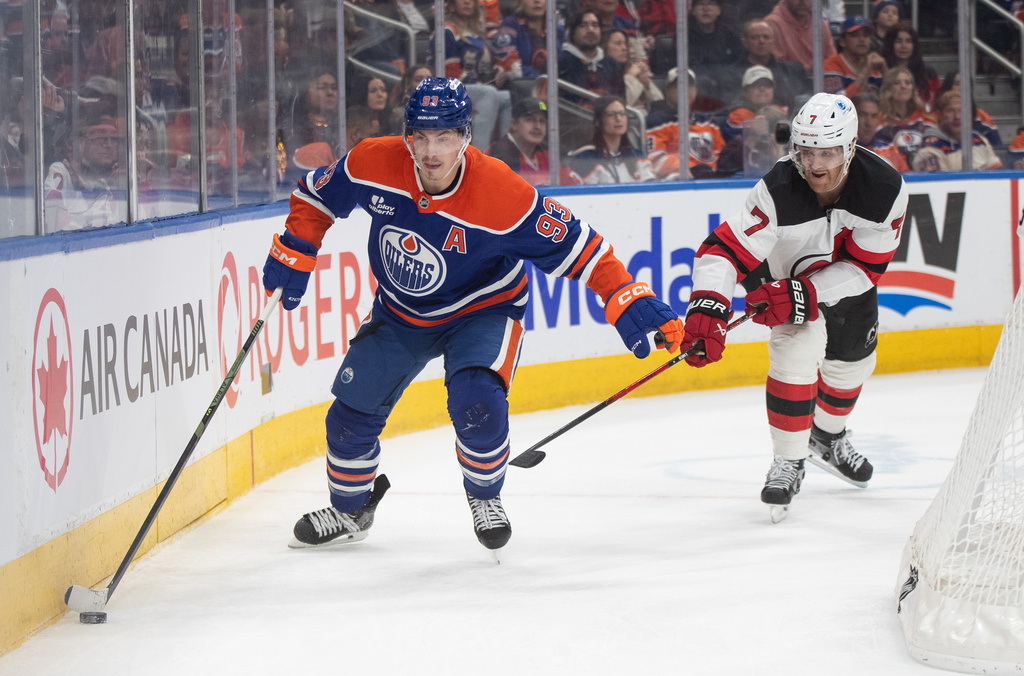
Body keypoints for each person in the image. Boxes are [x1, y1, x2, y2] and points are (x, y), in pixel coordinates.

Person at [260, 77, 683, 552]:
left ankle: (485, 496)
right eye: (421, 136)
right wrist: (299, 243)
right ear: (407, 135)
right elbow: (316, 196)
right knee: (346, 418)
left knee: (477, 405)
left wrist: (625, 294)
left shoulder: (502, 193)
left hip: (485, 308)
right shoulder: (372, 162)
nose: (431, 151)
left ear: (465, 136)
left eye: (445, 137)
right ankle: (351, 509)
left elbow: (582, 247)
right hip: (401, 311)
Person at [680, 92, 908, 520]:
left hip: (842, 280)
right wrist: (707, 308)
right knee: (795, 350)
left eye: (827, 152)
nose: (816, 165)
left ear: (850, 147)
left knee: (854, 362)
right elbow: (722, 252)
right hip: (780, 278)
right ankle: (788, 459)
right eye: (806, 151)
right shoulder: (776, 189)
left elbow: (866, 266)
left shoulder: (884, 188)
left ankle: (827, 436)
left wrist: (812, 292)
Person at [431, 0, 513, 150]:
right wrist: (482, 84)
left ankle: (504, 152)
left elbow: (485, 65)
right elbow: (449, 72)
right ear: (452, 5)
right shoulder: (446, 31)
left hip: (476, 88)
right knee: (489, 93)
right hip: (448, 89)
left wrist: (497, 71)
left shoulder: (477, 34)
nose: (467, 2)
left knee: (508, 98)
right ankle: (480, 154)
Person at [43, 114, 128, 231]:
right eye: (98, 136)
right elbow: (54, 219)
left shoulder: (110, 181)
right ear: (71, 144)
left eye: (113, 139)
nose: (108, 144)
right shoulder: (62, 172)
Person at [645, 67, 726, 179]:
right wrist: (692, 168)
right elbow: (655, 161)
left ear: (695, 91)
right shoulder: (657, 121)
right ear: (667, 91)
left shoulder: (707, 122)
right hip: (677, 183)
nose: (684, 89)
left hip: (709, 179)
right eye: (678, 85)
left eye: (689, 85)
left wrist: (710, 170)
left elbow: (721, 156)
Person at [726, 19, 810, 111]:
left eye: (766, 37)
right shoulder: (731, 75)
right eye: (755, 37)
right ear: (745, 43)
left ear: (773, 42)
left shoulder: (790, 71)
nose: (761, 41)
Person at [568, 95, 655, 183]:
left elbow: (651, 191)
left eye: (622, 114)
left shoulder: (637, 155)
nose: (618, 118)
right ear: (598, 121)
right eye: (611, 115)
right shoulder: (586, 158)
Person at [913, 91, 1003, 172]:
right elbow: (940, 185)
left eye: (961, 111)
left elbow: (998, 175)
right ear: (939, 115)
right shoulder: (930, 147)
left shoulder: (980, 140)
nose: (957, 117)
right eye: (951, 111)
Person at [872, 66, 934, 168]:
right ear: (888, 88)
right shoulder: (879, 120)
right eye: (897, 83)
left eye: (908, 83)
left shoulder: (926, 118)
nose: (903, 86)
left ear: (913, 88)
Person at [558, 10, 625, 102]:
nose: (590, 30)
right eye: (583, 25)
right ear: (572, 32)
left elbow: (622, 100)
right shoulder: (560, 62)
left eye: (595, 25)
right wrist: (544, 112)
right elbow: (542, 101)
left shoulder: (611, 64)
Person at [492, 0, 564, 79]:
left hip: (557, 86)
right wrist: (544, 79)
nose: (537, 1)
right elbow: (510, 65)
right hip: (522, 87)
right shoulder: (511, 25)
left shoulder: (558, 31)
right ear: (520, 2)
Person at [488, 96, 551, 185]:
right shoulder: (500, 154)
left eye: (542, 121)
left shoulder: (546, 152)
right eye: (530, 120)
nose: (538, 126)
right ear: (514, 124)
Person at [763, 0, 837, 74]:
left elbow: (832, 59)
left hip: (819, 79)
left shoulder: (820, 23)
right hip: (789, 80)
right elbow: (776, 66)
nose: (802, 1)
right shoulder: (772, 24)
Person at [881, 21, 939, 110]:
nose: (904, 46)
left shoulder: (929, 73)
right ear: (890, 44)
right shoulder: (880, 71)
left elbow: (938, 104)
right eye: (898, 41)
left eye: (908, 41)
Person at [823, 15, 886, 98]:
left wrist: (884, 70)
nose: (862, 39)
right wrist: (865, 70)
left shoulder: (875, 64)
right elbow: (839, 103)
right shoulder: (830, 65)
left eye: (866, 35)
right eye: (855, 35)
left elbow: (892, 99)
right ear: (843, 41)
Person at [604, 28, 664, 114]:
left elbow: (659, 102)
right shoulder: (602, 73)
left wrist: (646, 84)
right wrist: (631, 76)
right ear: (604, 46)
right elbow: (621, 104)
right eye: (618, 44)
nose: (624, 48)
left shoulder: (633, 68)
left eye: (625, 44)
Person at [721, 66, 786, 142]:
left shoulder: (780, 112)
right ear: (745, 91)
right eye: (756, 85)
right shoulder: (737, 116)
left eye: (767, 84)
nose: (762, 88)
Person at [850, 90, 908, 172]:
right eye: (863, 115)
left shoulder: (890, 150)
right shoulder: (842, 152)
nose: (868, 123)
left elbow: (907, 181)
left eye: (874, 116)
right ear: (853, 116)